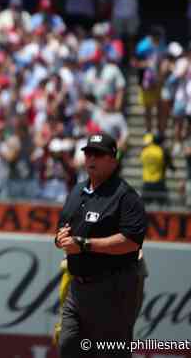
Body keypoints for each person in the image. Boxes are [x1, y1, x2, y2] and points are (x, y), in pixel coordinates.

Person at [54, 132, 148, 358]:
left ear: (113, 160)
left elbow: (131, 242)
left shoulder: (125, 196)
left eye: (98, 154)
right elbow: (62, 227)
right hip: (78, 289)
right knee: (68, 346)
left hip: (113, 289)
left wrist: (85, 244)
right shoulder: (78, 191)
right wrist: (60, 239)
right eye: (88, 153)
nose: (91, 159)